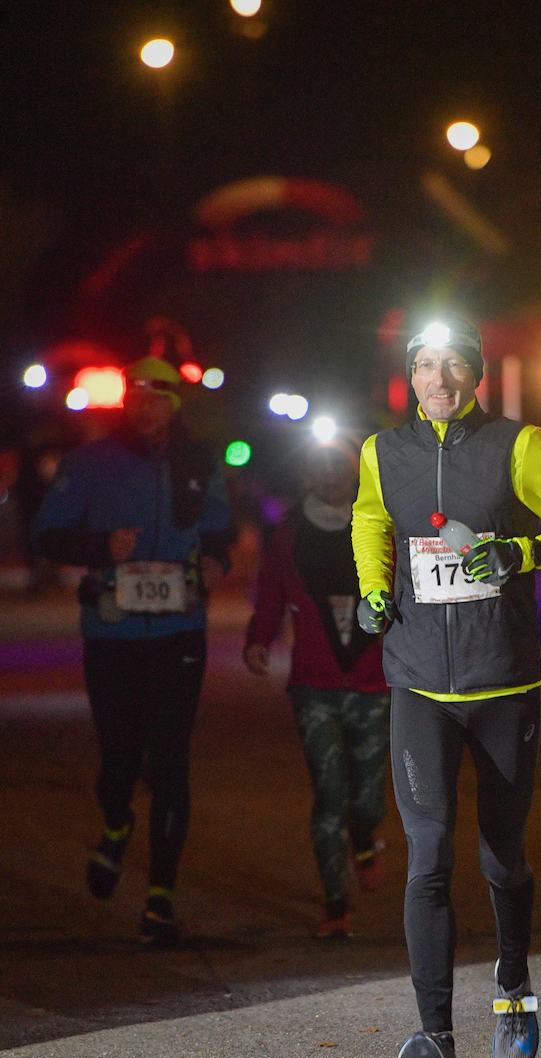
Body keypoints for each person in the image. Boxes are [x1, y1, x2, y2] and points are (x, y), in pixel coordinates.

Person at [351, 317, 541, 1058]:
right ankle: (435, 1037)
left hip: (502, 683)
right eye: (426, 365)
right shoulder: (382, 453)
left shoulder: (519, 445)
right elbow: (374, 518)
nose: (440, 379)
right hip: (417, 686)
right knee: (428, 855)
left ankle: (513, 988)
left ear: (475, 373)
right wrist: (373, 588)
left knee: (500, 857)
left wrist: (524, 551)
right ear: (411, 374)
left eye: (455, 365)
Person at [32, 357, 233, 943]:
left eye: (159, 397)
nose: (148, 408)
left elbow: (219, 524)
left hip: (179, 630)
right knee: (119, 758)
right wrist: (100, 545)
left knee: (170, 761)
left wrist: (216, 558)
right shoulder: (89, 461)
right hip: (113, 632)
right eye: (138, 397)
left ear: (174, 403)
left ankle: (160, 897)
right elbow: (46, 533)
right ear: (126, 401)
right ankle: (116, 823)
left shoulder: (199, 460)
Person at [243, 437, 390, 938]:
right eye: (319, 463)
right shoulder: (286, 531)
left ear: (358, 470)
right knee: (330, 793)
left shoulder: (381, 523)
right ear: (306, 471)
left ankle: (365, 835)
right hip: (314, 686)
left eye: (340, 463)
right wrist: (259, 639)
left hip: (374, 683)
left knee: (367, 799)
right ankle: (335, 906)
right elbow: (270, 594)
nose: (330, 472)